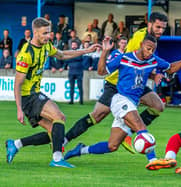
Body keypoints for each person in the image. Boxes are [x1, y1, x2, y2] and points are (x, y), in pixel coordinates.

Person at [64, 35, 181, 170]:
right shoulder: (124, 58)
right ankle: (153, 160)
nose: (150, 52)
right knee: (140, 125)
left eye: (153, 50)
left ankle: (81, 150)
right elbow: (102, 71)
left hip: (133, 103)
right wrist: (105, 51)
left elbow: (170, 68)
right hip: (120, 100)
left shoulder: (153, 60)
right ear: (141, 44)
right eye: (148, 48)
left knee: (112, 146)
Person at [62, 12, 169, 153]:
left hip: (134, 82)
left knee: (158, 105)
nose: (160, 31)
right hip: (117, 82)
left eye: (163, 28)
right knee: (97, 115)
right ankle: (65, 140)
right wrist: (154, 74)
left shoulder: (148, 37)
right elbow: (133, 62)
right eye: (158, 27)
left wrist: (154, 73)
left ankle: (128, 133)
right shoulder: (140, 37)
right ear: (149, 24)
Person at [5, 17, 101, 168]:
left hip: (34, 94)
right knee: (59, 116)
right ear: (35, 33)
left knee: (54, 133)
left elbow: (62, 55)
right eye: (44, 33)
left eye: (49, 32)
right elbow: (17, 84)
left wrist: (86, 50)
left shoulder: (46, 46)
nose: (48, 36)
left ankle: (15, 144)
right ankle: (57, 158)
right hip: (28, 97)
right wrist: (19, 109)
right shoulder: (26, 54)